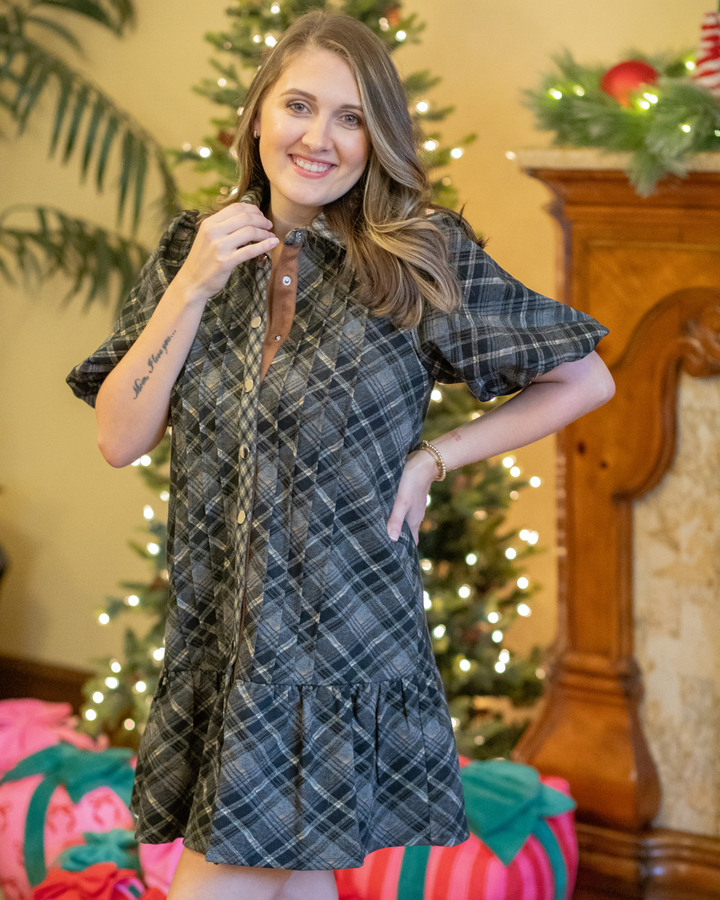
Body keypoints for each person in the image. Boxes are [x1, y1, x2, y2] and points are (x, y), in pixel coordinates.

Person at [67, 10, 614, 900]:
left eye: (351, 118)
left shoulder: (416, 256)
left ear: (377, 138)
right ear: (257, 115)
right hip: (226, 636)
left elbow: (586, 379)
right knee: (295, 883)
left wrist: (434, 459)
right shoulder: (190, 252)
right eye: (299, 106)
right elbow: (119, 438)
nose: (318, 138)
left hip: (346, 633)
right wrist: (195, 284)